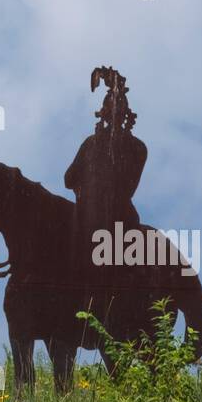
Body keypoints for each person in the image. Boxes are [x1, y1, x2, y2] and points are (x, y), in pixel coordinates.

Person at [64, 66, 147, 268]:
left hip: (99, 217)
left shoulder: (92, 142)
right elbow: (130, 186)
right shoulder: (137, 147)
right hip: (115, 217)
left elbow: (69, 179)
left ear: (104, 113)